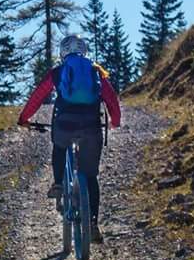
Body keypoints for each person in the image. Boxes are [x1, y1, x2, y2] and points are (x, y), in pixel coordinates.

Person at [17, 34, 123, 243]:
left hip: (65, 126)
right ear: (84, 51)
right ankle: (92, 223)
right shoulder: (96, 71)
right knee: (90, 176)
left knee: (59, 146)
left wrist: (24, 118)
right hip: (92, 129)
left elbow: (38, 95)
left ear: (62, 53)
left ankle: (58, 184)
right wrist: (115, 122)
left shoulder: (58, 72)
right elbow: (111, 99)